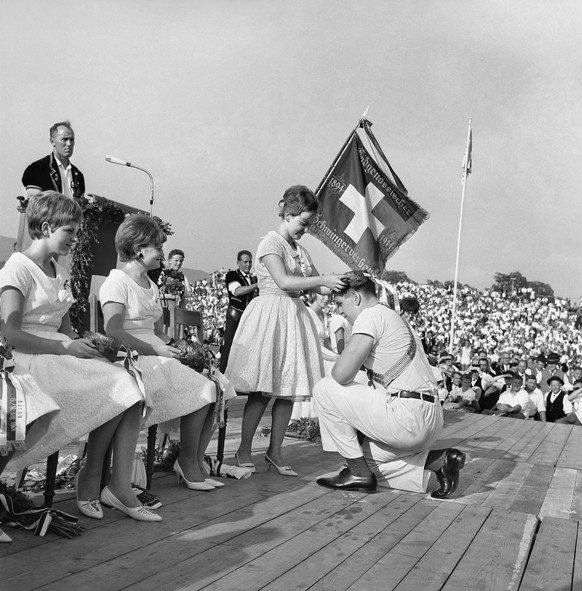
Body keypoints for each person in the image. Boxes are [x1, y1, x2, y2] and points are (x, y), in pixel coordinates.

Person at [0, 192, 158, 522]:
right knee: (117, 384)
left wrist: (89, 349)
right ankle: (90, 480)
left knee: (125, 382)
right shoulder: (18, 267)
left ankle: (106, 481)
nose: (76, 238)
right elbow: (11, 334)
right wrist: (65, 348)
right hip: (27, 359)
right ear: (45, 227)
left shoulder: (59, 268)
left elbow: (65, 328)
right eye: (70, 231)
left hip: (58, 353)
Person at [100, 214, 236, 492]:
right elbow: (114, 331)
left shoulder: (151, 285)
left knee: (219, 383)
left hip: (157, 352)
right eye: (158, 247)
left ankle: (195, 460)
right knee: (202, 388)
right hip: (132, 356)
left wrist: (179, 348)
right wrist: (158, 349)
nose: (162, 253)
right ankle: (186, 463)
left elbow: (159, 330)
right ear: (139, 249)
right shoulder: (116, 283)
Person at [225, 185, 347, 476]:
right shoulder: (270, 243)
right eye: (303, 223)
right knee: (262, 389)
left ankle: (275, 451)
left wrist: (339, 281)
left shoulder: (300, 250)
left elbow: (315, 283)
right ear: (288, 213)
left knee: (288, 391)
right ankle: (243, 449)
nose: (305, 229)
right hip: (271, 313)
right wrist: (323, 279)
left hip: (294, 317)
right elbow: (282, 281)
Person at [313, 272, 465, 498]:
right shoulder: (397, 318)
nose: (339, 311)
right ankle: (439, 461)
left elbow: (340, 374)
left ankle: (357, 474)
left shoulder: (370, 315)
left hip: (407, 416)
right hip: (430, 418)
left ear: (355, 298)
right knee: (366, 460)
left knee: (324, 388)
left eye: (339, 303)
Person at [291, 291, 338, 421]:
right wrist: (333, 358)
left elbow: (327, 344)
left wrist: (337, 356)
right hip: (313, 355)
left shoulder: (323, 314)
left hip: (323, 352)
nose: (326, 298)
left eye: (328, 295)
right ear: (314, 295)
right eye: (322, 295)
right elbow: (308, 345)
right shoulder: (307, 312)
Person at [22, 121, 85, 200]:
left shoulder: (78, 175)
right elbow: (35, 205)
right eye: (65, 139)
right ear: (52, 141)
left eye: (71, 139)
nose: (69, 144)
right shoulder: (37, 169)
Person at [219, 250, 258, 373]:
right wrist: (257, 285)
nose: (248, 264)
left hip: (250, 316)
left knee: (248, 348)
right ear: (238, 262)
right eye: (245, 261)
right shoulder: (232, 275)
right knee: (229, 345)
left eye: (250, 262)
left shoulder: (253, 278)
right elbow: (237, 291)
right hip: (235, 314)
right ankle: (223, 375)